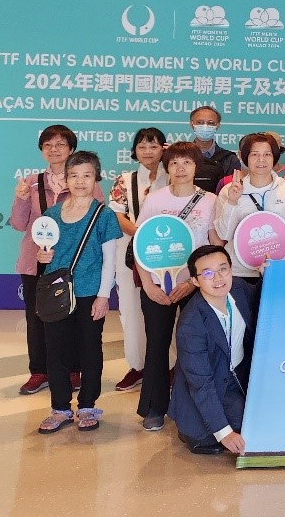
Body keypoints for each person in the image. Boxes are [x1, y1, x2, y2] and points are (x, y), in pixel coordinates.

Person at [134, 141, 222, 433]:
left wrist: (192, 282)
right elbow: (141, 244)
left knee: (193, 348)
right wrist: (148, 285)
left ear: (197, 166)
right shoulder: (155, 200)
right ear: (166, 167)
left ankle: (190, 409)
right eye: (174, 163)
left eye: (187, 162)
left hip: (195, 286)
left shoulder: (210, 200)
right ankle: (154, 408)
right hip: (157, 287)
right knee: (156, 346)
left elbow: (214, 246)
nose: (180, 169)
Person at [10, 125, 103, 396]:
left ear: (71, 149)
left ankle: (74, 369)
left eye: (60, 144)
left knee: (72, 315)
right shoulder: (30, 182)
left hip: (72, 264)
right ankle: (39, 371)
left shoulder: (87, 181)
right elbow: (18, 224)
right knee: (37, 318)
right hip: (36, 262)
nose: (54, 149)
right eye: (48, 145)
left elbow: (95, 224)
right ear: (41, 150)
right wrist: (20, 200)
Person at [34, 151, 122, 434]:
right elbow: (46, 251)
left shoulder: (104, 214)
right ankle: (60, 408)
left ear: (96, 178)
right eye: (74, 175)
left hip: (89, 294)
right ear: (66, 180)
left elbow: (110, 259)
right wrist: (42, 256)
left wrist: (103, 295)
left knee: (89, 350)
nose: (80, 181)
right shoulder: (51, 215)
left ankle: (87, 406)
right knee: (56, 352)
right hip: (57, 293)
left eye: (86, 175)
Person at [169, 245, 259, 456]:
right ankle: (193, 429)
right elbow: (200, 383)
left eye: (223, 269)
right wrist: (225, 433)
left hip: (237, 377)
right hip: (209, 386)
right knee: (243, 425)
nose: (218, 278)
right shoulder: (191, 325)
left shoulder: (239, 288)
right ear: (195, 281)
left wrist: (268, 273)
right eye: (207, 273)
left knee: (265, 417)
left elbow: (264, 297)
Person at [107, 127, 169, 393]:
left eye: (153, 146)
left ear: (163, 149)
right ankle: (137, 365)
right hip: (130, 251)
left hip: (168, 253)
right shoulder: (125, 179)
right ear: (135, 151)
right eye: (142, 147)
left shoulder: (174, 175)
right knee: (131, 309)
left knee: (169, 307)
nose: (147, 152)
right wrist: (143, 235)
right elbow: (117, 216)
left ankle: (171, 367)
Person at [214, 132, 285, 280]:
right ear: (245, 158)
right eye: (254, 154)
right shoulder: (230, 190)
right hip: (240, 272)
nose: (261, 160)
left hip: (279, 270)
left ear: (274, 157)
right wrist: (232, 202)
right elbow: (224, 235)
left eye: (267, 154)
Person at [187, 106, 240, 194]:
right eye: (200, 122)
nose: (205, 126)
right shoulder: (181, 156)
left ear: (217, 126)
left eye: (210, 123)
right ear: (192, 124)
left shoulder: (229, 159)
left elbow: (233, 191)